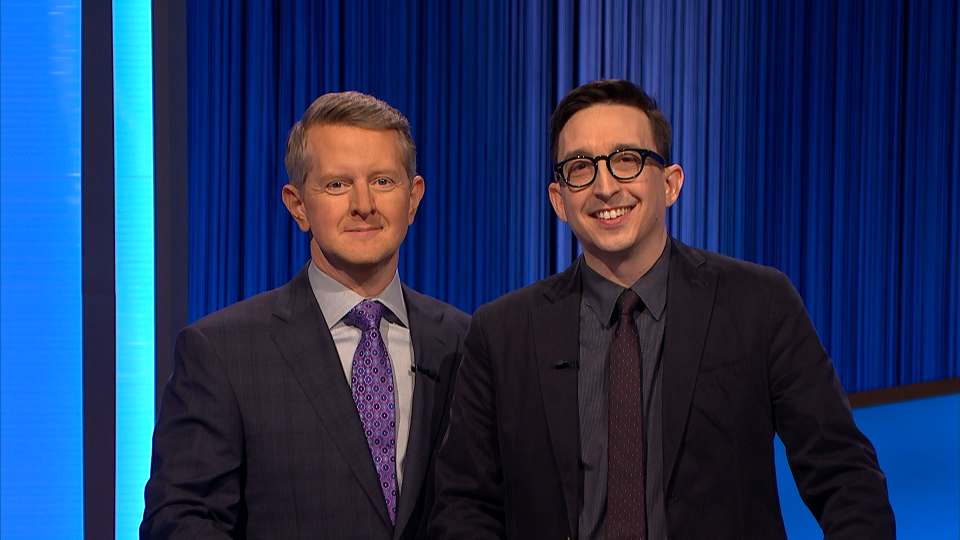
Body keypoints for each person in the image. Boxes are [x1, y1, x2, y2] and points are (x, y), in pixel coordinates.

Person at [428, 80, 895, 539]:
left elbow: (845, 476)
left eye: (627, 161)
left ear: (670, 184)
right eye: (580, 167)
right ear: (559, 200)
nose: (605, 186)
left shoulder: (759, 302)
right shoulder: (503, 331)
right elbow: (464, 506)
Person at [141, 91, 470, 539]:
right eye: (337, 184)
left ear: (413, 198)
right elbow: (179, 522)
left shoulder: (463, 341)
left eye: (383, 182)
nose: (363, 204)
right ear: (297, 205)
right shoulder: (221, 352)